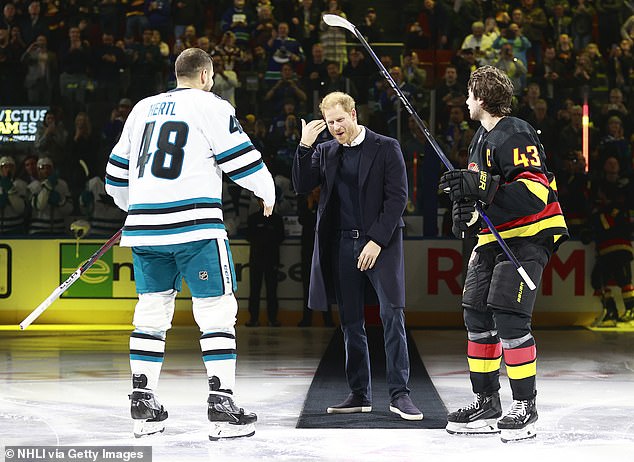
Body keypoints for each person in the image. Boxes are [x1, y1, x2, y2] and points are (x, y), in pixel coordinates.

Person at [105, 47, 276, 440]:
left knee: (150, 314)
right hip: (196, 227)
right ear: (205, 76)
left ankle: (143, 404)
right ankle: (221, 406)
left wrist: (136, 207)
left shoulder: (142, 108)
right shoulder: (211, 105)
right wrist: (267, 190)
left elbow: (114, 175)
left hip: (145, 231)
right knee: (216, 312)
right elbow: (242, 160)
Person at [439, 66, 568, 442]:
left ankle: (525, 406)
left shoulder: (515, 131)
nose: (465, 101)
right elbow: (482, 198)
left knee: (510, 320)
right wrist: (464, 211)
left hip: (528, 237)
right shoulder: (480, 138)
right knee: (477, 316)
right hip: (492, 240)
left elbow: (534, 193)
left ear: (480, 97)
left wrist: (480, 186)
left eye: (468, 94)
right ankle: (486, 402)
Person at [292, 91, 423, 421]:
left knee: (392, 315)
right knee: (351, 322)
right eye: (330, 122)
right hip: (342, 245)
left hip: (382, 244)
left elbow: (397, 198)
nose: (336, 127)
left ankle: (400, 394)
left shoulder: (386, 146)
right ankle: (359, 393)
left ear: (354, 114)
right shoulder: (325, 151)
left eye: (340, 120)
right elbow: (300, 184)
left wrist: (376, 240)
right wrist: (305, 145)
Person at [245, 198, 285, 327]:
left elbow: (281, 237)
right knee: (254, 290)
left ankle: (272, 319)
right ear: (258, 202)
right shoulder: (253, 219)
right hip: (256, 259)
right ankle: (253, 318)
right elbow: (249, 236)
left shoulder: (277, 219)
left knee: (272, 291)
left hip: (272, 259)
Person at [0, 155, 30, 234]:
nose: (8, 169)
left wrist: (11, 191)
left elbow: (21, 209)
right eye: (5, 167)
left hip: (16, 228)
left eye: (10, 167)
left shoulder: (21, 184)